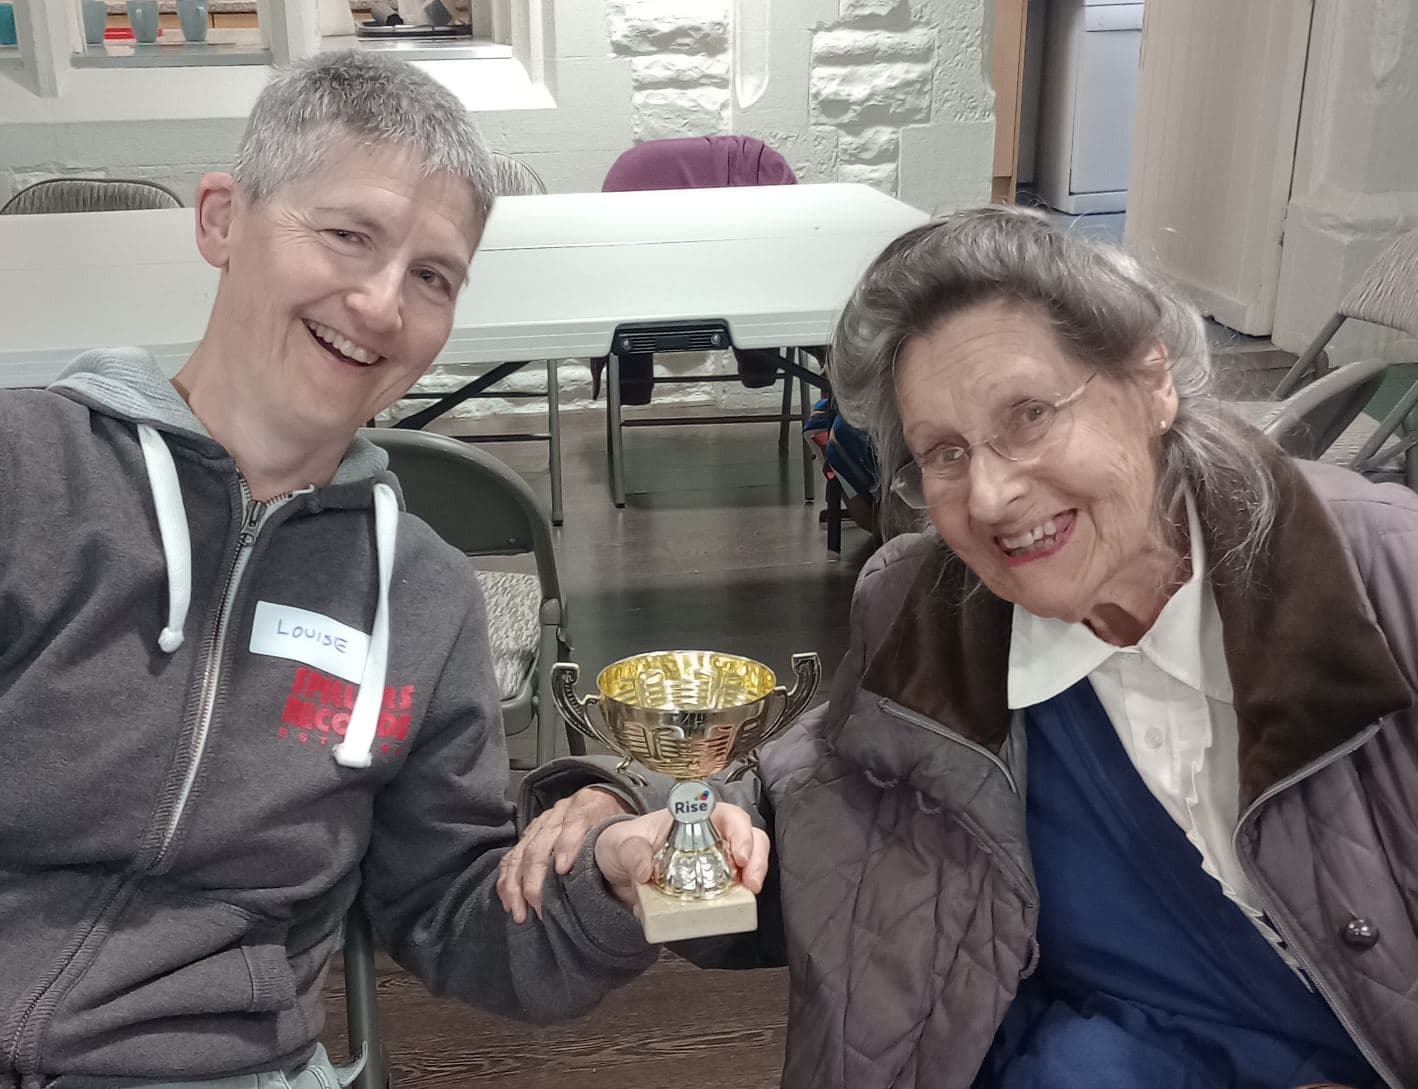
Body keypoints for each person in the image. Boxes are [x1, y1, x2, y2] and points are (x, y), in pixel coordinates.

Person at [501, 207, 1418, 1089]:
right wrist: (623, 808)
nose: (988, 497)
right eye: (942, 452)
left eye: (1029, 415)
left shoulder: (1385, 578)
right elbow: (809, 811)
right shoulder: (932, 609)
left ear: (1153, 381)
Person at [0, 50, 724, 1088]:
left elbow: (452, 911)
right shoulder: (27, 472)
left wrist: (600, 883)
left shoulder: (423, 599)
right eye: (347, 235)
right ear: (220, 219)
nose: (382, 307)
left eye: (432, 276)